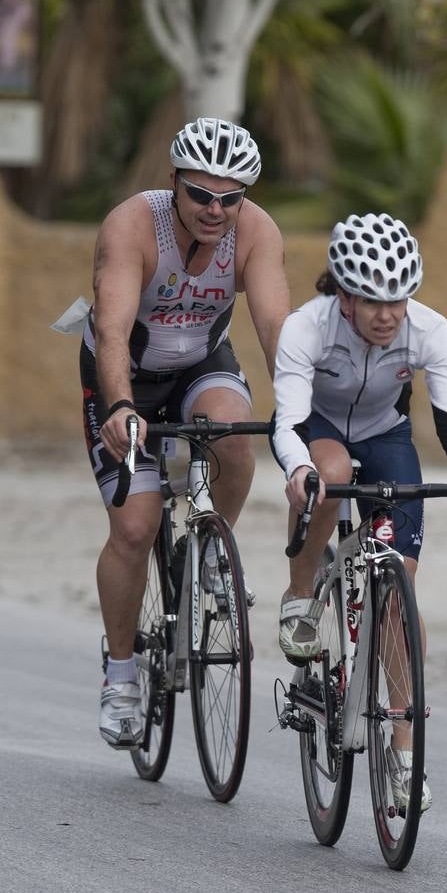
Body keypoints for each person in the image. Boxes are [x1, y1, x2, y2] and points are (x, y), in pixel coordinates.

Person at [271, 211, 447, 813]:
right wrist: (300, 471)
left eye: (398, 299)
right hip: (321, 431)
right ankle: (301, 594)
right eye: (372, 299)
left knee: (398, 598)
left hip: (387, 433)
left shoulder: (429, 329)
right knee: (335, 474)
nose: (387, 313)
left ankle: (402, 755)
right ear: (343, 294)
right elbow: (288, 421)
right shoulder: (306, 328)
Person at [81, 117, 290, 749]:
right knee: (136, 527)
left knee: (233, 436)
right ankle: (122, 676)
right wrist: (119, 407)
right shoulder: (132, 224)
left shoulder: (256, 232)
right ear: (174, 182)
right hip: (129, 374)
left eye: (231, 197)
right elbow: (114, 329)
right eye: (201, 194)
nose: (215, 210)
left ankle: (209, 557)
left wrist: (305, 413)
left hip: (202, 360)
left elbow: (276, 325)